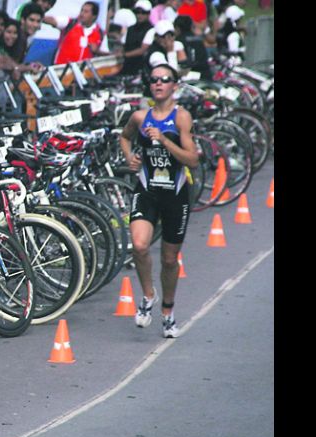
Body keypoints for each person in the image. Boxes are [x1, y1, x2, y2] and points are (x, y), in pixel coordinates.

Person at [119, 62, 199, 338]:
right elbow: (125, 137)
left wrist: (165, 141)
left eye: (165, 79)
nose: (158, 83)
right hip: (147, 189)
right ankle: (148, 296)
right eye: (153, 79)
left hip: (176, 194)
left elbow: (193, 160)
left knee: (168, 259)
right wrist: (130, 158)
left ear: (174, 85)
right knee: (140, 246)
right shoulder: (141, 117)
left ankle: (167, 311)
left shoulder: (181, 118)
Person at [119, 1, 154, 76]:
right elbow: (124, 45)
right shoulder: (131, 28)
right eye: (137, 12)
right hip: (127, 65)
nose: (139, 15)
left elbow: (143, 50)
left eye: (143, 13)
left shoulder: (151, 30)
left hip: (141, 67)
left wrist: (124, 55)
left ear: (148, 14)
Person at [174, 14, 210, 79]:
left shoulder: (178, 42)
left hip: (188, 76)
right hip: (204, 74)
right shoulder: (199, 39)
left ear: (177, 28)